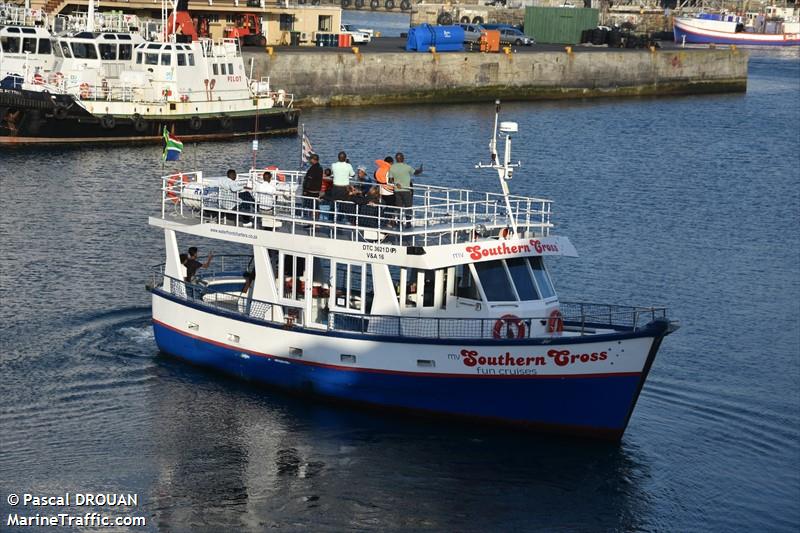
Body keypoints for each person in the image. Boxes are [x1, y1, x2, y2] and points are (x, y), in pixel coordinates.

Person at [389, 152, 416, 225]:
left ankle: (399, 222)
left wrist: (396, 184)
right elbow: (415, 172)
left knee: (398, 207)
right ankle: (408, 223)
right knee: (408, 207)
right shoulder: (407, 167)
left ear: (396, 159)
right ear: (403, 158)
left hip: (397, 190)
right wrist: (420, 170)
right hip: (406, 190)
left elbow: (390, 180)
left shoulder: (392, 167)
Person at [301, 153, 323, 218]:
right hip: (316, 190)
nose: (309, 161)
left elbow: (309, 180)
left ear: (313, 160)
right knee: (314, 207)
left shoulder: (314, 168)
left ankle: (314, 222)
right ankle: (312, 221)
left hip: (311, 191)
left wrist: (305, 189)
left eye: (310, 159)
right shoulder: (319, 168)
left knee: (313, 207)